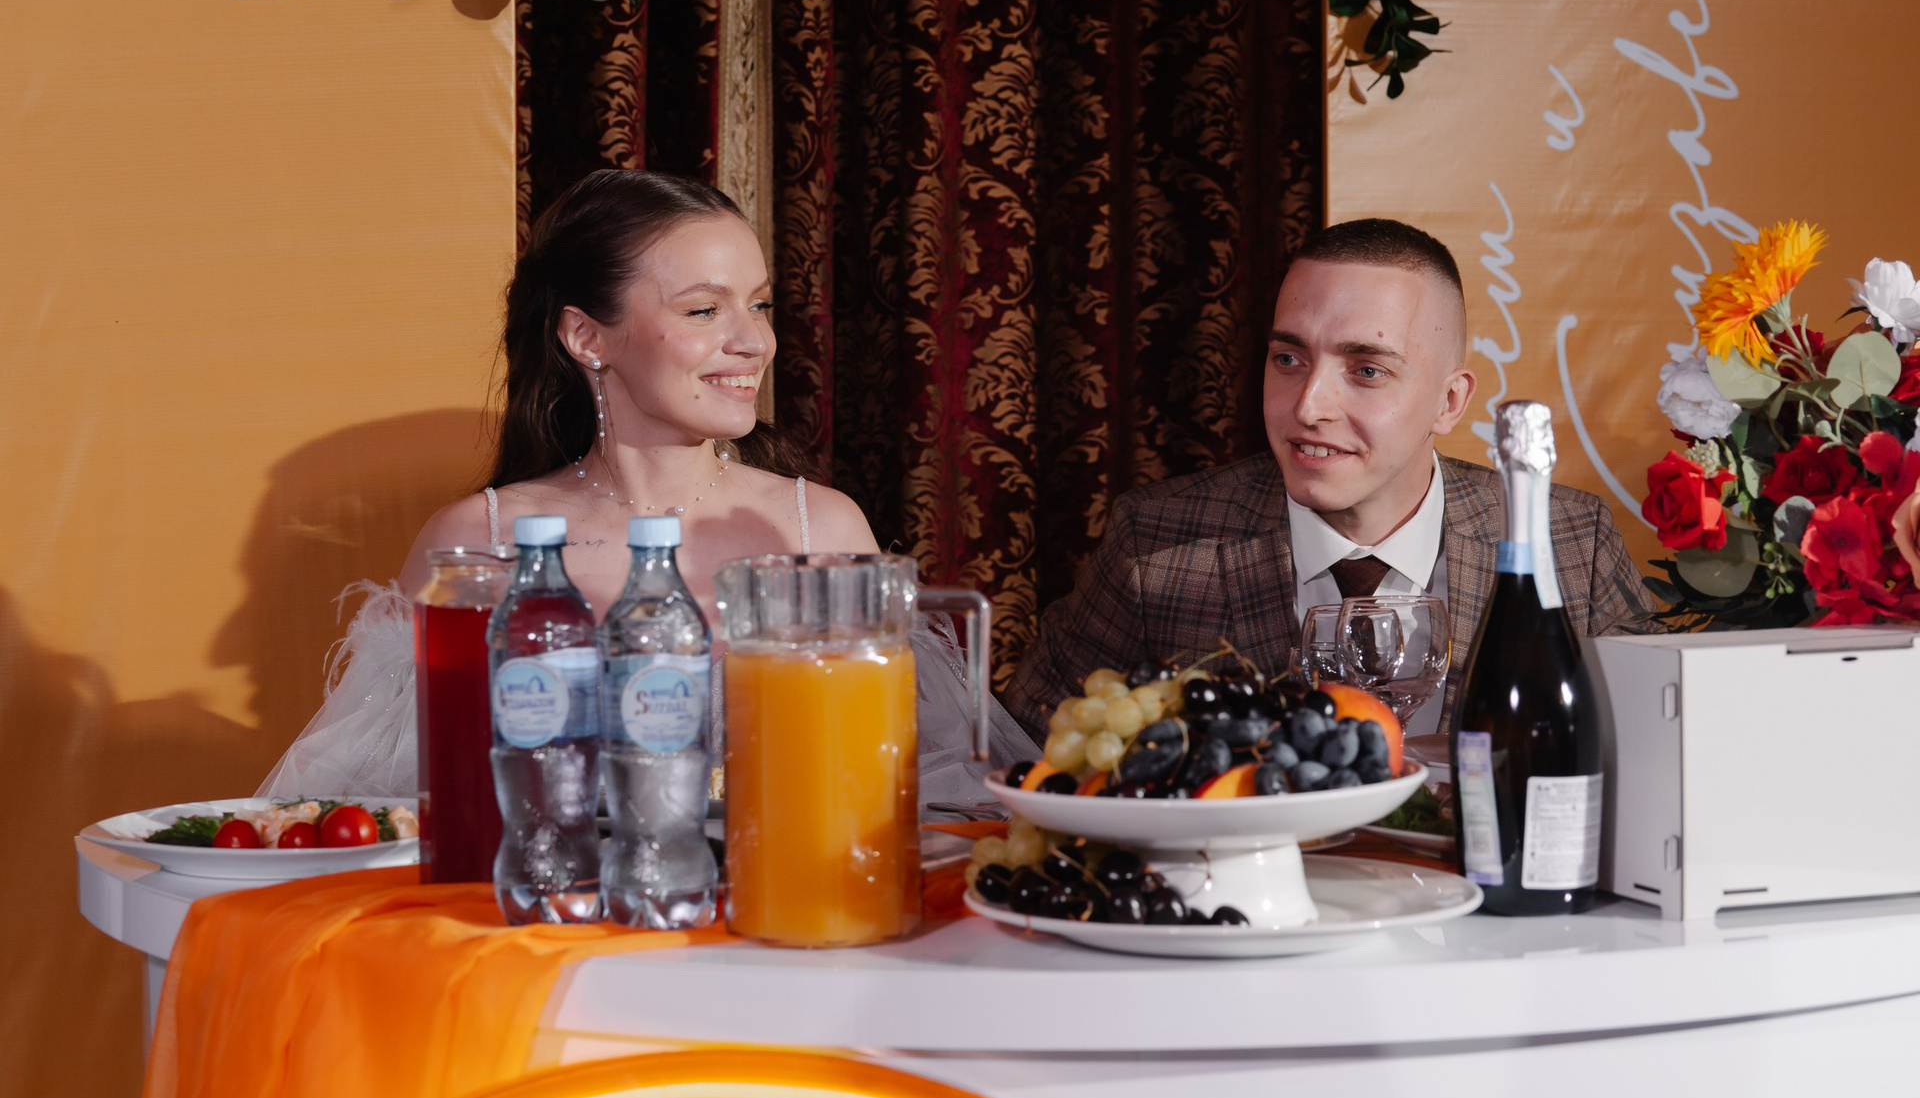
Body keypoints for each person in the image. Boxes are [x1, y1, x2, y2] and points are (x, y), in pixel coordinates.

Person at [262, 171, 1026, 809]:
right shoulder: (478, 541)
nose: (754, 341)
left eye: (760, 304)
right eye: (705, 310)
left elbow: (907, 786)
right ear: (586, 337)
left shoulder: (819, 528)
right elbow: (389, 804)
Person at [1007, 215, 1649, 740]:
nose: (1309, 406)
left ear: (1449, 402)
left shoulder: (1575, 543)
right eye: (1288, 358)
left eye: (1367, 370)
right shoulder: (1155, 544)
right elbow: (1028, 748)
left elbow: (1654, 759)